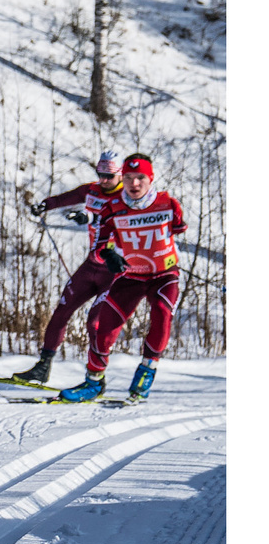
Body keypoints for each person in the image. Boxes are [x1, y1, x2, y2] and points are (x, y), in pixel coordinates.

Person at [63, 153, 185, 403]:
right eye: (128, 178)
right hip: (131, 276)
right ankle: (93, 382)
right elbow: (99, 246)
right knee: (103, 328)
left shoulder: (168, 204)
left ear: (150, 179)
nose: (134, 184)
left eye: (140, 178)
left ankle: (146, 372)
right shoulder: (112, 208)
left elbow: (179, 228)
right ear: (122, 179)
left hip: (164, 276)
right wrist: (109, 255)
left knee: (162, 312)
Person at [15, 150, 128, 386]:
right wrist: (43, 206)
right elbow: (63, 199)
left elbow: (117, 223)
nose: (103, 180)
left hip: (115, 270)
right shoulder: (91, 190)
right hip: (92, 264)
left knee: (94, 323)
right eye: (100, 174)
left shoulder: (128, 198)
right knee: (61, 312)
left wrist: (90, 220)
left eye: (109, 176)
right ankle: (42, 368)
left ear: (120, 174)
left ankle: (95, 378)